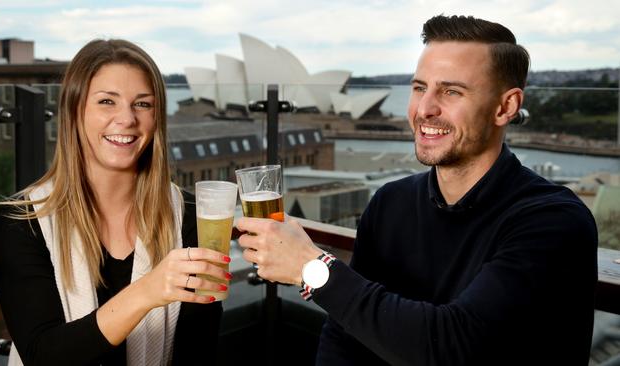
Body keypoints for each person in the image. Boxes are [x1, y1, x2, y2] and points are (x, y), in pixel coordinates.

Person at [236, 15, 598, 365]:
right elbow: (344, 337)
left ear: (506, 106)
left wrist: (311, 267)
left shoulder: (553, 222)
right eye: (419, 88)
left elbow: (452, 348)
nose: (425, 109)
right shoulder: (391, 203)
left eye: (452, 91)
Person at [0, 39, 231, 366]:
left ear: (157, 117)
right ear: (75, 112)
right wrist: (147, 291)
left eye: (143, 104)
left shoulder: (191, 215)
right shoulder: (19, 222)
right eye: (106, 101)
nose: (127, 119)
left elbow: (197, 353)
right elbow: (42, 354)